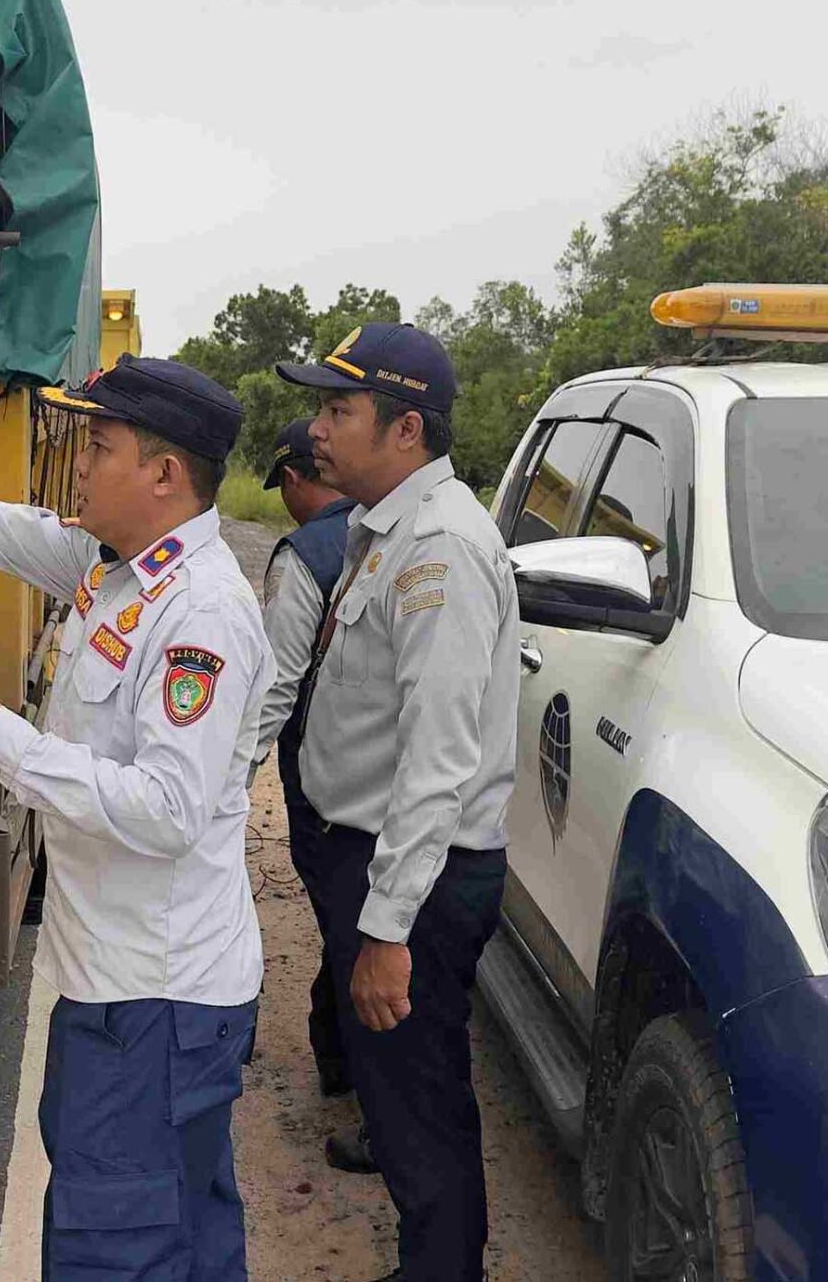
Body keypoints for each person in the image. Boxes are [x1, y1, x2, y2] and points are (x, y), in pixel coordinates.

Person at [0, 355, 272, 1282]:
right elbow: (5, 529)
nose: (77, 462)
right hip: (127, 985)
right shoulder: (120, 572)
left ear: (164, 474)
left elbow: (164, 808)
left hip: (152, 1000)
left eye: (98, 445)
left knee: (112, 1248)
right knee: (183, 1234)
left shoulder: (201, 614)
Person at [273, 324, 521, 1282]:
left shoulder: (443, 549)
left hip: (411, 876)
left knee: (421, 1107)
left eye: (339, 411)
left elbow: (439, 761)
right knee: (400, 1096)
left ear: (406, 427)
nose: (317, 429)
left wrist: (387, 932)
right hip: (375, 862)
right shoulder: (388, 527)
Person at [248, 419, 358, 1109]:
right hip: (400, 779)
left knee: (349, 925)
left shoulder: (304, 555)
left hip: (324, 785)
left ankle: (348, 1061)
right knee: (362, 922)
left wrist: (227, 778)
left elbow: (274, 689)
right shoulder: (398, 531)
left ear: (293, 479)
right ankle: (338, 1046)